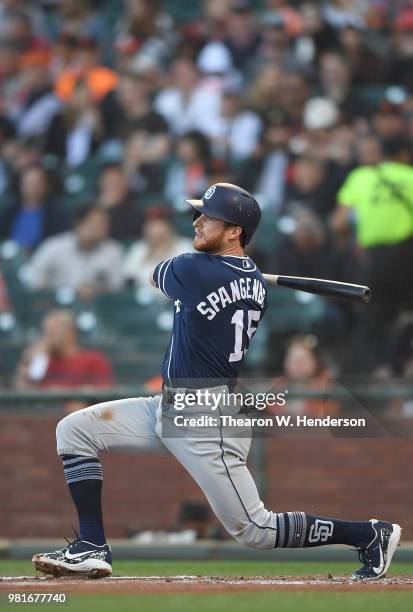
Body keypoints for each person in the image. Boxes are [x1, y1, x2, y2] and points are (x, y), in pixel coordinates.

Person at [32, 183, 400, 581]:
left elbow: (156, 276)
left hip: (207, 417)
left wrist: (210, 269)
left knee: (256, 530)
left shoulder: (193, 269)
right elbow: (214, 279)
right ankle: (91, 545)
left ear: (234, 232)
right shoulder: (255, 284)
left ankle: (368, 534)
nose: (198, 221)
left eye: (209, 217)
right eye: (199, 214)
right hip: (175, 404)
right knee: (75, 431)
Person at [25, 204, 124, 299]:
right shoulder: (54, 246)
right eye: (94, 224)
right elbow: (34, 280)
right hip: (56, 305)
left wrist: (96, 290)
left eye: (103, 225)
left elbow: (117, 288)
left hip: (98, 306)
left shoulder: (113, 251)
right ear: (78, 224)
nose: (99, 229)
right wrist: (59, 292)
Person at [14, 309, 113, 391]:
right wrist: (27, 361)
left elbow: (103, 391)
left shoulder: (94, 359)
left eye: (54, 330)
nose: (48, 336)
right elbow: (24, 391)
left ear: (71, 332)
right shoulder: (43, 361)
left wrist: (59, 391)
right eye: (46, 330)